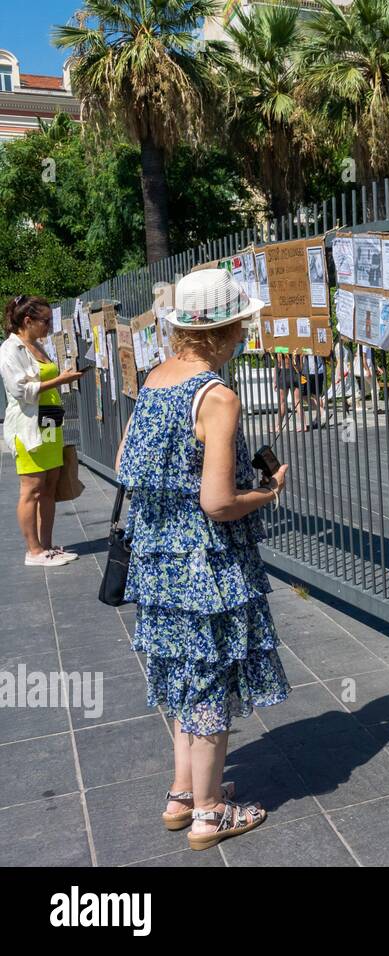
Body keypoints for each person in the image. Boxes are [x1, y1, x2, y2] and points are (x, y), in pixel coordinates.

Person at [115, 269, 290, 851]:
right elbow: (217, 502)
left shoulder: (153, 381)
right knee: (211, 682)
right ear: (223, 330)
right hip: (207, 567)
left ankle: (182, 793)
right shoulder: (216, 396)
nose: (244, 333)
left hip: (157, 563)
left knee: (183, 675)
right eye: (240, 324)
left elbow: (126, 463)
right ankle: (211, 813)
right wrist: (266, 493)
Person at [1, 295, 84, 566]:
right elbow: (20, 390)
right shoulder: (11, 349)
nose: (49, 325)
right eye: (45, 321)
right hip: (28, 426)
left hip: (49, 423)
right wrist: (61, 379)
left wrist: (64, 376)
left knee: (50, 484)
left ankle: (46, 546)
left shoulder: (37, 345)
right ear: (28, 321)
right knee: (32, 488)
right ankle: (32, 550)